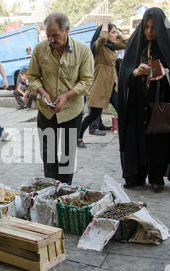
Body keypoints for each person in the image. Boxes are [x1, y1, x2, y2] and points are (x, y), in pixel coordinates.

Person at [118, 7, 170, 193]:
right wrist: (134, 72)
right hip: (137, 101)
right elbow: (124, 70)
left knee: (158, 141)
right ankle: (136, 175)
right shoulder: (135, 43)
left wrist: (166, 73)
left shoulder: (169, 44)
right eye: (146, 27)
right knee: (136, 139)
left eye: (153, 27)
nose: (149, 32)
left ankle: (156, 177)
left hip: (160, 102)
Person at [27, 12, 94, 185]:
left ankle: (64, 192)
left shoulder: (83, 50)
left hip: (71, 112)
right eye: (48, 35)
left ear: (67, 30)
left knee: (67, 157)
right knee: (48, 155)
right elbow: (32, 76)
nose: (51, 39)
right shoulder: (39, 49)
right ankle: (50, 189)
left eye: (55, 35)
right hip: (46, 112)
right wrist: (42, 92)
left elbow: (87, 80)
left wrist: (67, 95)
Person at [78, 20, 126, 148]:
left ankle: (127, 141)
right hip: (100, 86)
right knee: (93, 115)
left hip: (112, 86)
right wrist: (105, 25)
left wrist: (118, 33)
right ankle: (78, 136)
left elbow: (126, 43)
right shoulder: (99, 47)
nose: (116, 34)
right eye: (113, 32)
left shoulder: (112, 47)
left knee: (123, 112)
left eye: (116, 32)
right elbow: (103, 38)